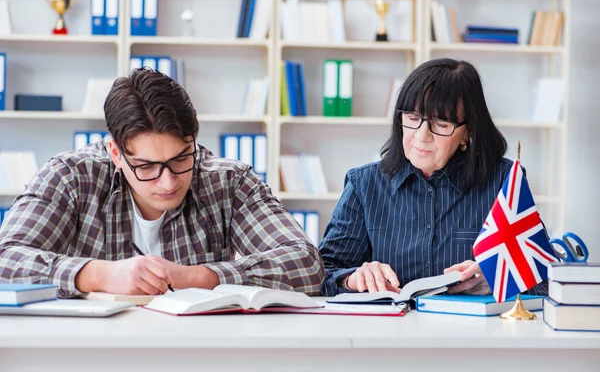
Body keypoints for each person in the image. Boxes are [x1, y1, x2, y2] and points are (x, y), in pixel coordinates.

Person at [0, 68, 324, 298]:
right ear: (115, 153)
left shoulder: (229, 181)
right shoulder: (70, 177)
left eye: (182, 158)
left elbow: (306, 264)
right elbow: (5, 259)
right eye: (146, 166)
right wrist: (99, 274)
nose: (168, 181)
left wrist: (201, 277)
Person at [319, 58, 548, 296]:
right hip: (388, 330)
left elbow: (545, 279)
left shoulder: (504, 181)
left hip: (473, 331)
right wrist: (353, 278)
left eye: (440, 123)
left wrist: (498, 280)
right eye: (412, 118)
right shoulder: (364, 185)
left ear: (468, 131)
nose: (421, 136)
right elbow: (323, 274)